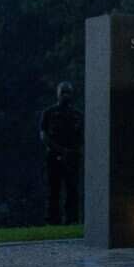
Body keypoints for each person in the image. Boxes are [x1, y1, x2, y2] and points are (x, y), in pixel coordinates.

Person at [39, 80, 83, 225]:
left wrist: (74, 151)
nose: (65, 96)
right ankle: (52, 220)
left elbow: (82, 135)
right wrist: (59, 150)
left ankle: (72, 220)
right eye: (63, 92)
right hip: (53, 156)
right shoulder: (49, 113)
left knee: (72, 190)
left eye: (68, 92)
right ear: (57, 94)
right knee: (53, 190)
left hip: (72, 157)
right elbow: (44, 135)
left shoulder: (77, 115)